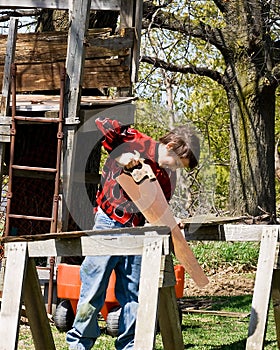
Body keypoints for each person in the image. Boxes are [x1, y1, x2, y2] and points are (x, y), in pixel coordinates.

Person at [66, 116, 200, 350]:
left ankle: (130, 346)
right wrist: (122, 154)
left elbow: (158, 206)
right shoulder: (135, 141)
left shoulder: (167, 178)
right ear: (169, 146)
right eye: (177, 162)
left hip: (139, 231)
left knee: (134, 292)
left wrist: (171, 219)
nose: (175, 168)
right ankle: (79, 344)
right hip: (109, 223)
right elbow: (104, 123)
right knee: (94, 285)